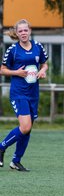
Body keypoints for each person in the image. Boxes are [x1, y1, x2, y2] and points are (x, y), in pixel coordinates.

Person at [0, 19, 48, 171]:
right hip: (19, 93)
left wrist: (43, 70)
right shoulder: (13, 50)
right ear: (17, 33)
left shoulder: (38, 46)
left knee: (27, 128)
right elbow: (2, 70)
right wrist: (16, 72)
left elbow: (44, 63)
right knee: (25, 127)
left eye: (25, 30)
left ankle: (15, 161)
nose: (23, 33)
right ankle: (1, 147)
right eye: (20, 31)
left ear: (30, 30)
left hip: (33, 93)